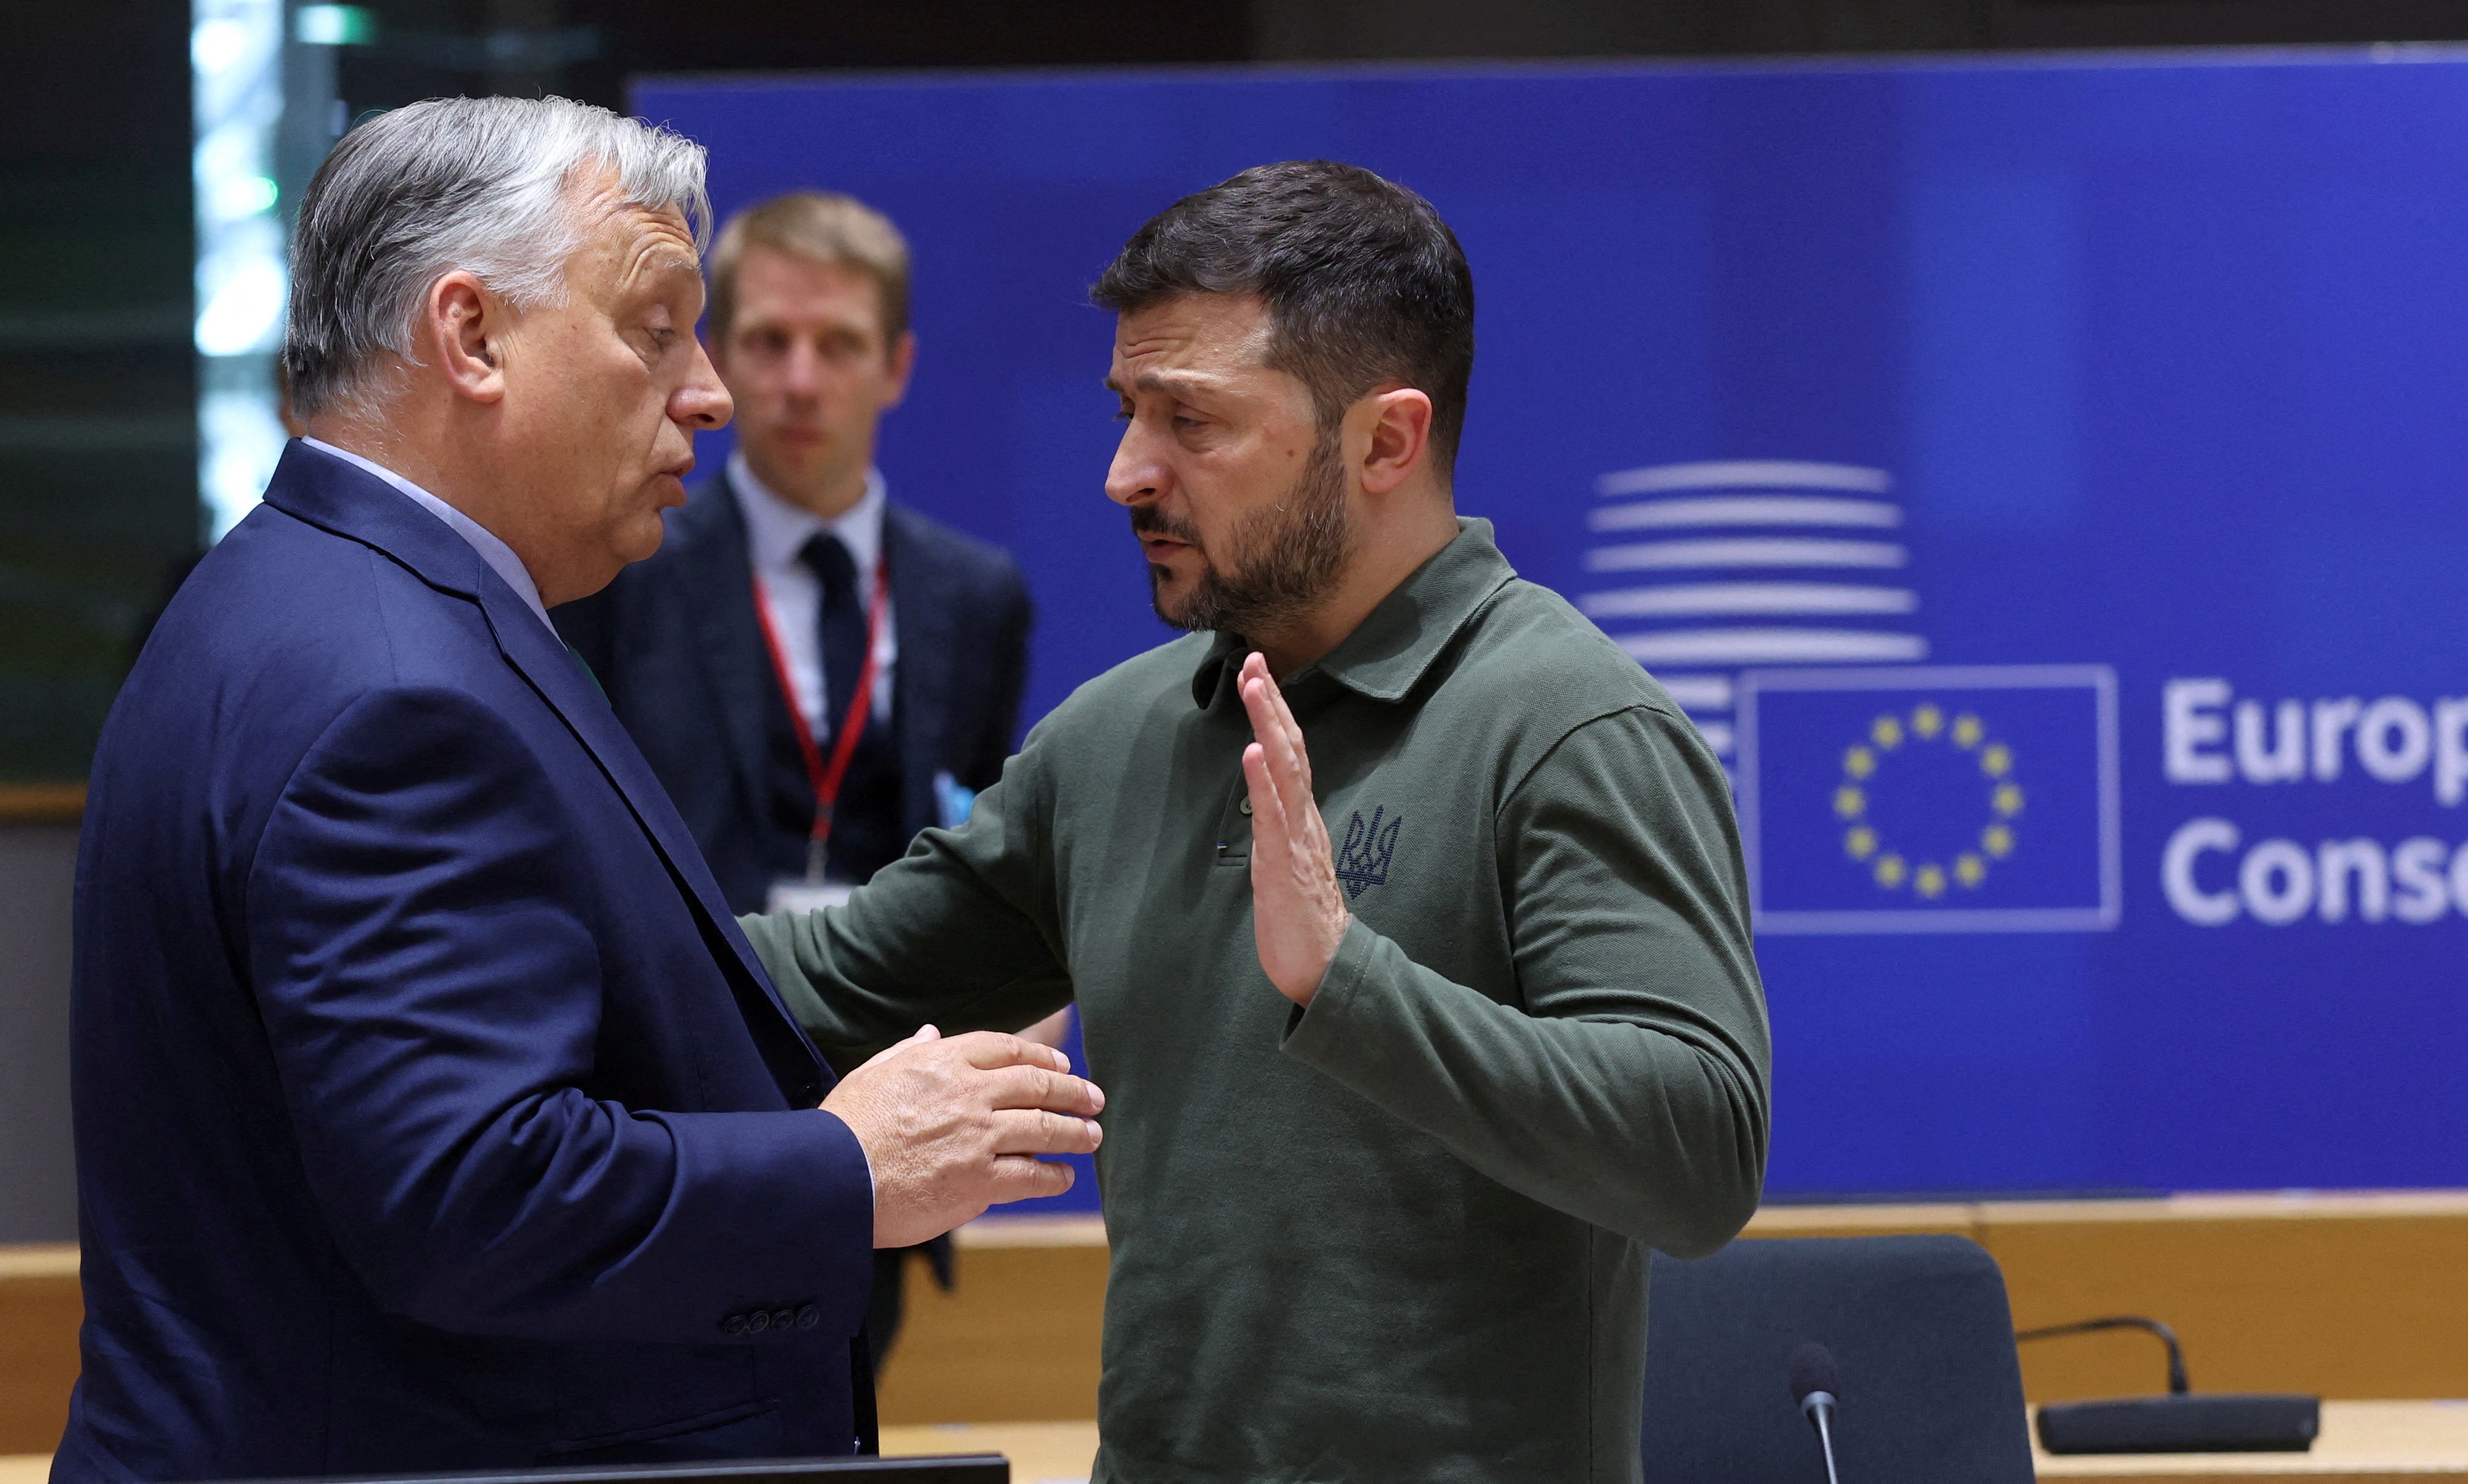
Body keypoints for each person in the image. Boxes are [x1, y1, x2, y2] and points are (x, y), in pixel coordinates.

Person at [57, 96, 1101, 1483]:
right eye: (656, 327)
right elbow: (472, 1194)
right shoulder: (393, 690)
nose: (712, 392)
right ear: (471, 336)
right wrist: (849, 1167)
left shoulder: (309, 595)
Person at [744, 159, 1772, 1481]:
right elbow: (815, 990)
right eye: (1126, 412)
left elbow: (1697, 1154)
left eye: (1191, 422)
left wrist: (1349, 982)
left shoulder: (1568, 726)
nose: (1125, 473)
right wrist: (516, 919)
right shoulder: (1113, 739)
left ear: (1385, 442)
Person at [552, 191, 1042, 1404]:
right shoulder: (626, 568)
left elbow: (977, 840)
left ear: (898, 367)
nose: (798, 380)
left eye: (838, 346)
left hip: (883, 1091)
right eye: (766, 342)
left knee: (840, 1419)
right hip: (675, 1098)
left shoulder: (973, 596)